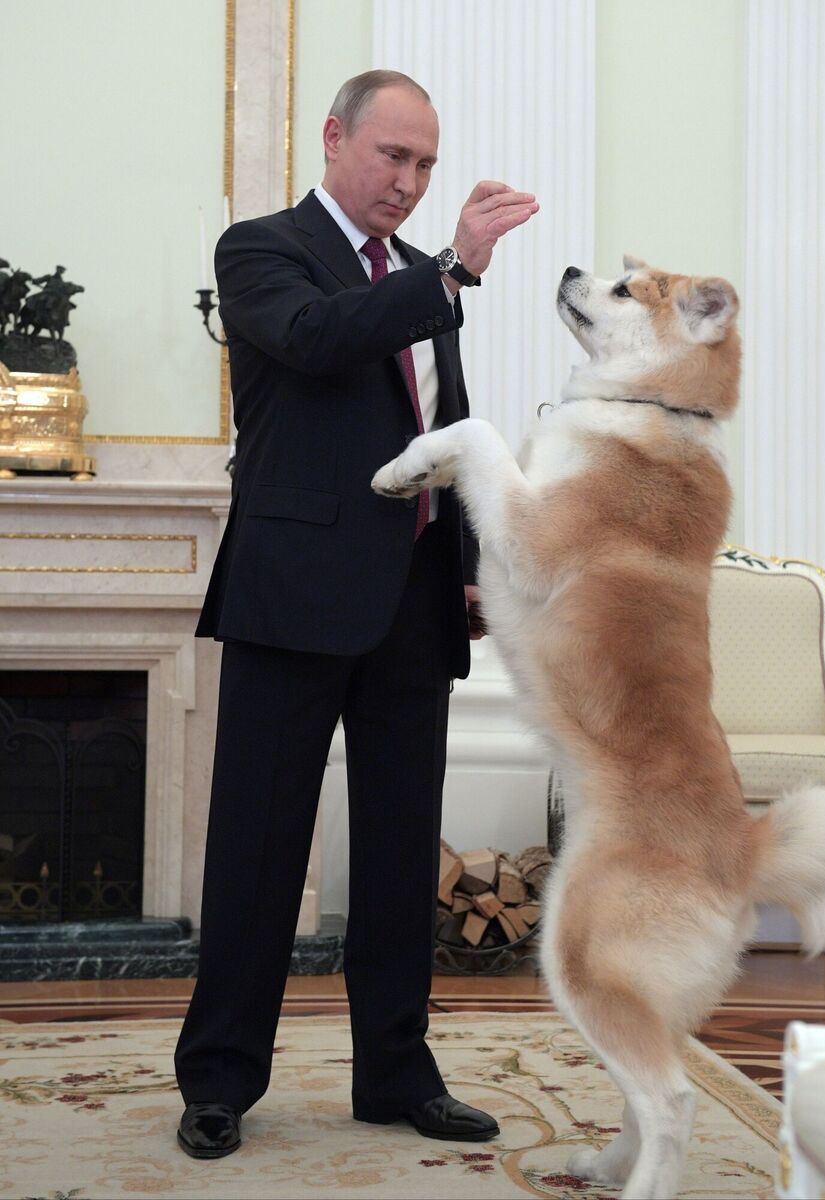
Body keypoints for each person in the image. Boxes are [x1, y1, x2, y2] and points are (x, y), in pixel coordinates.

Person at [174, 69, 538, 1159]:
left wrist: (470, 562)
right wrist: (452, 270)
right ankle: (221, 1081)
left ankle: (395, 1074)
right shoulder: (260, 249)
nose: (409, 181)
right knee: (257, 848)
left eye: (424, 165)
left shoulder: (424, 284)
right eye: (392, 157)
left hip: (415, 600)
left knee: (393, 858)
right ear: (334, 140)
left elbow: (448, 425)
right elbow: (321, 337)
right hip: (293, 597)